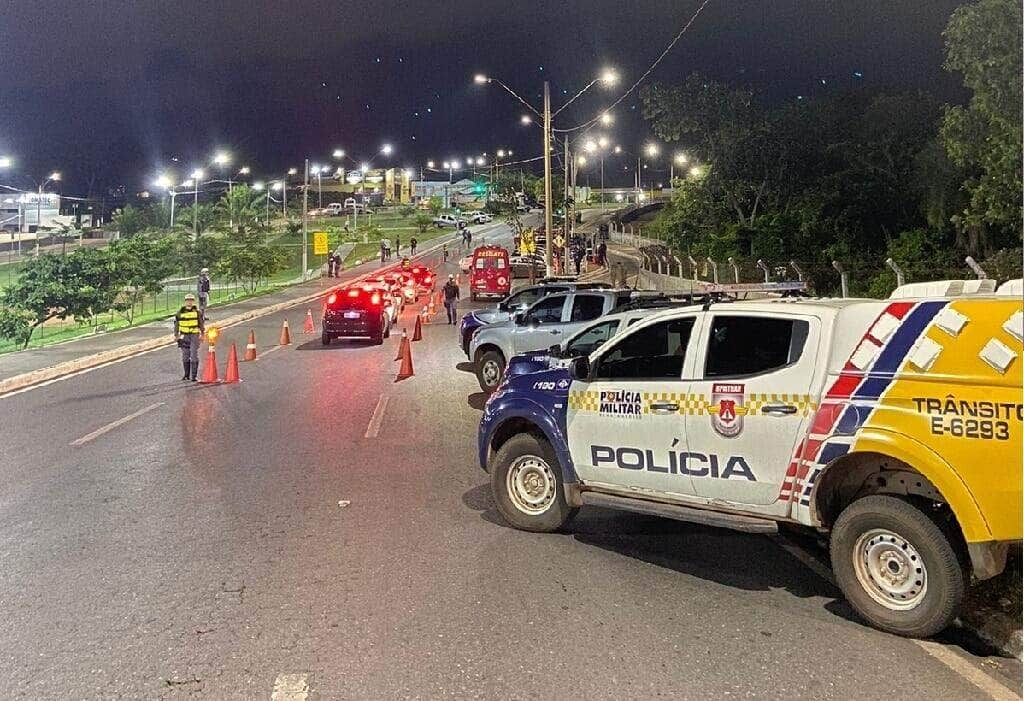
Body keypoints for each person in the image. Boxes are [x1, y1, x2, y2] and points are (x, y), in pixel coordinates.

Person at [174, 293, 205, 381]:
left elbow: (201, 324)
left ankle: (194, 376)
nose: (189, 302)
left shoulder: (197, 312)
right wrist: (176, 335)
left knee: (194, 355)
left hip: (194, 335)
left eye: (191, 300)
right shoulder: (180, 312)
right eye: (188, 300)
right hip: (184, 336)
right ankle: (186, 375)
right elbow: (176, 325)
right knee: (185, 355)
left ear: (193, 301)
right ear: (185, 301)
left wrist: (202, 334)